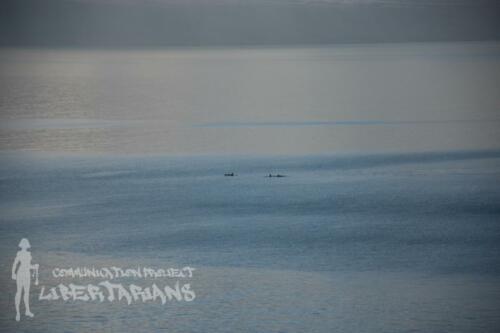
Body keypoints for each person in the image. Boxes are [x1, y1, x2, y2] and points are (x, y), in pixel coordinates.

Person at [12, 238, 38, 321]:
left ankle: (27, 310)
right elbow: (15, 263)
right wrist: (13, 273)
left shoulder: (29, 254)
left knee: (26, 293)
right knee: (19, 292)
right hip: (21, 273)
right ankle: (17, 313)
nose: (25, 246)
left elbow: (28, 265)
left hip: (27, 274)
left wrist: (34, 267)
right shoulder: (19, 253)